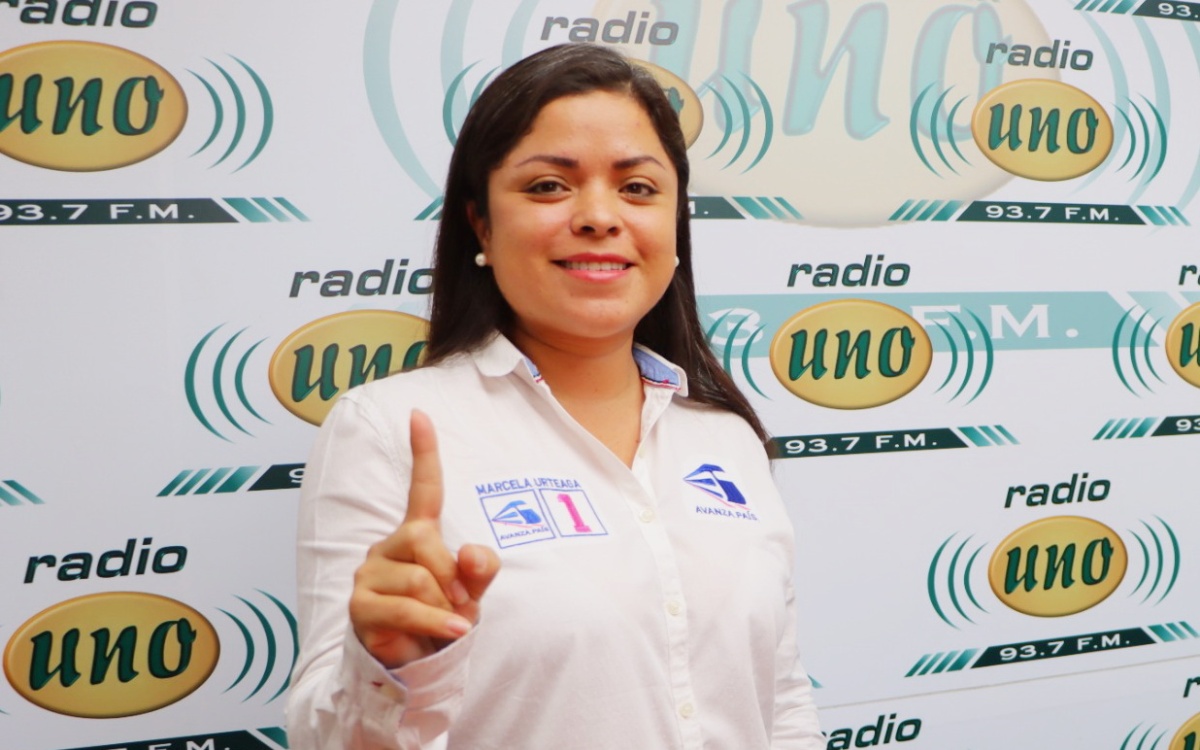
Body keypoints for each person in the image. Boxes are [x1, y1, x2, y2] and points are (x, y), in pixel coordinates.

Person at [286, 43, 824, 749]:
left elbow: (781, 703)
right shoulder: (388, 431)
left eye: (638, 188)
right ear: (481, 223)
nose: (600, 216)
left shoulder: (725, 436)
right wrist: (387, 672)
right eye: (548, 186)